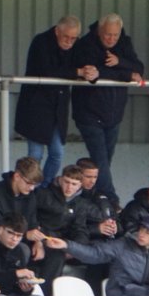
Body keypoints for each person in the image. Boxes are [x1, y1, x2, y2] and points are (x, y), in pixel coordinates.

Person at [71, 13, 145, 206]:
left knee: (104, 163)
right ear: (99, 31)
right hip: (89, 112)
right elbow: (92, 73)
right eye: (107, 35)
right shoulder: (86, 44)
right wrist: (125, 74)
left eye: (115, 35)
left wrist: (120, 62)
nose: (111, 39)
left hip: (114, 115)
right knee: (100, 160)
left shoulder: (125, 43)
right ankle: (112, 202)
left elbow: (139, 68)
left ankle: (94, 200)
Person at [14, 16, 97, 185]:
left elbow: (85, 65)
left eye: (73, 38)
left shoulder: (77, 45)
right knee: (36, 155)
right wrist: (78, 72)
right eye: (66, 37)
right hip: (36, 105)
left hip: (58, 108)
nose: (69, 41)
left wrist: (92, 72)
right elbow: (48, 70)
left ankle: (44, 188)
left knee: (57, 153)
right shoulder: (41, 42)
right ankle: (31, 189)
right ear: (57, 31)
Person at [28, 164, 89, 296]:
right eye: (67, 182)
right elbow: (31, 218)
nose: (69, 187)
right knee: (55, 256)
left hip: (61, 243)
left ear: (80, 185)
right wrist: (39, 241)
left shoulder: (81, 204)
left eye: (74, 184)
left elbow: (80, 230)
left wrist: (73, 248)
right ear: (60, 180)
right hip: (39, 238)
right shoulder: (43, 194)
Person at [74, 157, 121, 296]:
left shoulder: (102, 196)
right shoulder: (72, 197)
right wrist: (97, 229)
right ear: (79, 174)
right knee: (99, 256)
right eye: (88, 176)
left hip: (107, 243)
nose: (92, 181)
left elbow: (119, 222)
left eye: (95, 177)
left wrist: (116, 227)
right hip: (84, 244)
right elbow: (70, 228)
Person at [0, 156, 43, 234]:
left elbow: (32, 224)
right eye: (28, 183)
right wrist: (25, 236)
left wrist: (38, 238)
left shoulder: (30, 195)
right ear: (17, 176)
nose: (32, 188)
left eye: (35, 184)